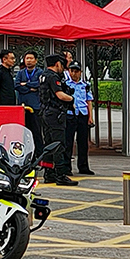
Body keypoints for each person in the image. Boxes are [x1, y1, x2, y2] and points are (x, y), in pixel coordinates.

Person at [39, 55, 77, 185]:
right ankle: (61, 175)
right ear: (57, 64)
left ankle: (49, 173)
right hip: (55, 114)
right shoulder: (53, 77)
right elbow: (60, 95)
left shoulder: (43, 75)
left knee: (48, 145)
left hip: (45, 113)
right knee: (59, 144)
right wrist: (71, 99)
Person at [65, 61, 94, 175]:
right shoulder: (66, 84)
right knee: (68, 142)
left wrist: (90, 117)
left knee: (83, 142)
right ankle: (67, 167)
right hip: (70, 114)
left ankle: (83, 166)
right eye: (72, 71)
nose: (74, 73)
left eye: (76, 71)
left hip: (82, 114)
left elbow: (89, 101)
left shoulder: (85, 85)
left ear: (80, 72)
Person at [15, 52, 43, 154]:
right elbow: (17, 85)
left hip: (35, 106)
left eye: (31, 58)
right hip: (23, 106)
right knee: (23, 132)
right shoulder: (20, 73)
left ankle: (39, 154)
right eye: (27, 58)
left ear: (36, 60)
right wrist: (30, 88)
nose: (29, 60)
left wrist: (26, 84)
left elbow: (39, 84)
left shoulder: (40, 72)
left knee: (36, 131)